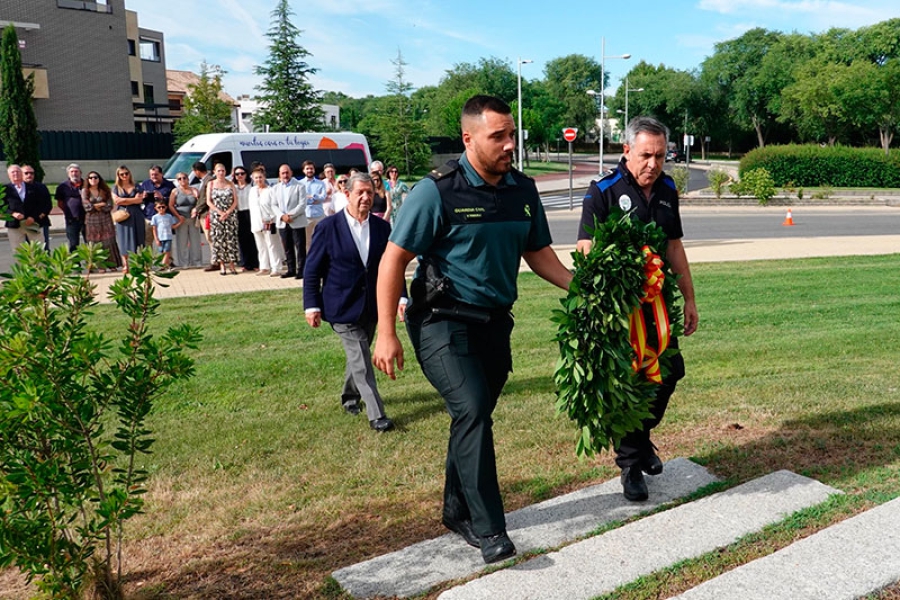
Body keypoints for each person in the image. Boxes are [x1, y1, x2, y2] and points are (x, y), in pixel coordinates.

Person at [373, 95, 573, 564]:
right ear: (468, 139)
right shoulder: (436, 191)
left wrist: (578, 287)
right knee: (473, 407)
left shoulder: (522, 190)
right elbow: (393, 260)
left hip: (494, 325)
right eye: (498, 136)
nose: (509, 145)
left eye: (512, 135)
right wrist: (386, 330)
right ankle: (490, 530)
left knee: (472, 417)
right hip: (441, 321)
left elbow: (537, 253)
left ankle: (455, 509)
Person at [576, 116, 699, 502]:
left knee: (669, 371)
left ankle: (641, 440)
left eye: (661, 156)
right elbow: (586, 249)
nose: (654, 164)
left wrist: (690, 298)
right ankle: (631, 467)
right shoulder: (603, 192)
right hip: (620, 310)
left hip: (659, 307)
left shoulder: (666, 189)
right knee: (629, 381)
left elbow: (674, 246)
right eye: (646, 155)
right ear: (626, 150)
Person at [304, 172, 403, 433]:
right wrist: (311, 305)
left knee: (357, 355)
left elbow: (392, 268)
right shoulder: (327, 228)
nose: (365, 197)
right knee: (361, 357)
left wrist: (401, 297)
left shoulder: (383, 228)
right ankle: (376, 414)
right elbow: (312, 270)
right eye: (360, 192)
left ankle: (350, 397)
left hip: (372, 306)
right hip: (341, 306)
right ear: (346, 194)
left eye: (370, 193)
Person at [270, 164, 308, 279]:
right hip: (283, 222)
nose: (285, 175)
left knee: (300, 247)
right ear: (279, 175)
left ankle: (302, 270)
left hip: (296, 221)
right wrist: (282, 216)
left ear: (291, 173)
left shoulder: (299, 186)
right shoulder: (275, 188)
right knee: (287, 247)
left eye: (287, 172)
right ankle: (291, 269)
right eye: (283, 173)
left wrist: (290, 215)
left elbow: (302, 204)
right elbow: (274, 205)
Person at [81, 170, 122, 271]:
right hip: (92, 221)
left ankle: (112, 264)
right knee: (95, 243)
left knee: (109, 241)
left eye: (95, 177)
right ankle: (99, 266)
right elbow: (87, 207)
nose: (93, 179)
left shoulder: (105, 190)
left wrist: (95, 206)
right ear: (88, 180)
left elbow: (109, 206)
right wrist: (99, 205)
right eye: (91, 178)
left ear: (99, 179)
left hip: (105, 220)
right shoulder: (85, 191)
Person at [248, 166, 285, 277]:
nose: (258, 180)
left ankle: (276, 267)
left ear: (264, 177)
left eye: (260, 177)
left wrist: (271, 219)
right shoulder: (252, 191)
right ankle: (264, 267)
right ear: (253, 179)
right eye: (256, 178)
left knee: (272, 245)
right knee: (261, 246)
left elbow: (275, 206)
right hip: (256, 222)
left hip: (269, 222)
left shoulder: (270, 190)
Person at [206, 163, 240, 276]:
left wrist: (227, 212)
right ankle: (222, 265)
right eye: (219, 171)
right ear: (214, 172)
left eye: (223, 170)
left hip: (230, 216)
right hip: (216, 216)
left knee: (231, 240)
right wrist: (219, 212)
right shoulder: (210, 184)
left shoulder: (230, 184)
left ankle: (232, 265)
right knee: (219, 241)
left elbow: (235, 200)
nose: (221, 173)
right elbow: (208, 201)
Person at [111, 166, 147, 271]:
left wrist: (124, 200)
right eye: (122, 174)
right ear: (118, 176)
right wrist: (132, 199)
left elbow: (139, 200)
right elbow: (116, 201)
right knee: (124, 240)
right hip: (123, 216)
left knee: (139, 239)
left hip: (137, 214)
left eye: (126, 173)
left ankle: (140, 263)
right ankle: (125, 265)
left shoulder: (137, 186)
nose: (125, 176)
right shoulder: (115, 188)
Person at [4, 164, 46, 253]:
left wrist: (33, 217)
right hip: (14, 225)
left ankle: (39, 267)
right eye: (13, 172)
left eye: (18, 171)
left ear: (21, 173)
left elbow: (41, 204)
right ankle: (22, 267)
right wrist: (12, 213)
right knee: (18, 252)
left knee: (39, 251)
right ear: (9, 175)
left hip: (33, 223)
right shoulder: (5, 189)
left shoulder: (34, 187)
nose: (15, 174)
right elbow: (2, 207)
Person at [168, 172, 204, 268]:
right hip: (181, 219)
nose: (182, 180)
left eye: (184, 178)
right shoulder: (175, 191)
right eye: (179, 179)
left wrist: (196, 208)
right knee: (182, 241)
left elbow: (200, 202)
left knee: (195, 240)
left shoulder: (194, 190)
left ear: (188, 179)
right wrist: (178, 216)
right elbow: (171, 205)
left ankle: (197, 261)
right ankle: (184, 262)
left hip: (192, 218)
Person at [140, 165, 175, 259]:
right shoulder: (145, 184)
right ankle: (148, 261)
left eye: (156, 174)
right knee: (148, 240)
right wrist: (143, 197)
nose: (153, 177)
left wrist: (162, 198)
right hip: (149, 215)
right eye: (151, 175)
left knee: (166, 240)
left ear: (161, 174)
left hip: (164, 217)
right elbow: (138, 198)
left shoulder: (169, 185)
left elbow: (175, 200)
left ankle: (168, 261)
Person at [232, 165, 259, 272]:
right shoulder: (233, 187)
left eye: (242, 173)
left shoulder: (251, 186)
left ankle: (255, 263)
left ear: (246, 174)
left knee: (252, 239)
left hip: (250, 213)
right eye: (237, 174)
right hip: (239, 213)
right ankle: (245, 263)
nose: (240, 176)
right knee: (242, 240)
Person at [55, 163, 86, 251]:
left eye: (76, 171)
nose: (74, 173)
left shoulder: (87, 184)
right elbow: (60, 203)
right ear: (68, 174)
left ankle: (91, 263)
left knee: (90, 242)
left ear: (80, 173)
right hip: (72, 220)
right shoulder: (62, 186)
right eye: (72, 172)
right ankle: (75, 264)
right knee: (73, 244)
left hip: (87, 218)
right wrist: (69, 211)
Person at [21, 165, 52, 250]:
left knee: (44, 249)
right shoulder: (18, 189)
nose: (29, 175)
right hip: (23, 224)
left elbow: (48, 205)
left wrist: (36, 218)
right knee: (28, 251)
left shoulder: (42, 187)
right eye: (26, 173)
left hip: (40, 223)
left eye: (31, 173)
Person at [300, 160, 327, 251]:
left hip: (319, 215)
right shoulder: (300, 184)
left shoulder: (321, 183)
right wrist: (315, 199)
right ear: (304, 170)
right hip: (306, 216)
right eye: (307, 169)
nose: (309, 170)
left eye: (311, 168)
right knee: (307, 241)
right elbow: (300, 200)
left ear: (314, 170)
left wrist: (311, 196)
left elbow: (323, 198)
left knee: (321, 239)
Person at [151, 199, 182, 270]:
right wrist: (156, 239)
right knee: (162, 252)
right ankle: (166, 265)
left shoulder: (169, 216)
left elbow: (172, 226)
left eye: (163, 207)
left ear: (166, 207)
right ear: (155, 208)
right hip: (160, 237)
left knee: (167, 251)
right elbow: (154, 229)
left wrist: (180, 222)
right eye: (159, 207)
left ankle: (162, 265)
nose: (161, 209)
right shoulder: (155, 217)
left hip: (168, 237)